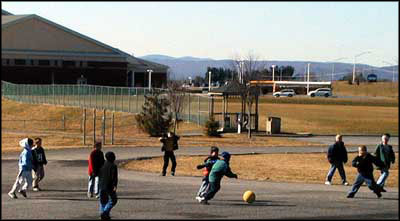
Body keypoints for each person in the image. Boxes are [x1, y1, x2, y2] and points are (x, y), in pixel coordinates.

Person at [98, 151, 118, 220]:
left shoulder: (102, 164)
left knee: (103, 201)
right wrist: (115, 185)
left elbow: (99, 174)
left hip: (101, 185)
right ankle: (105, 212)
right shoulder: (113, 166)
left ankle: (104, 214)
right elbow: (114, 177)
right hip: (109, 186)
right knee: (113, 200)